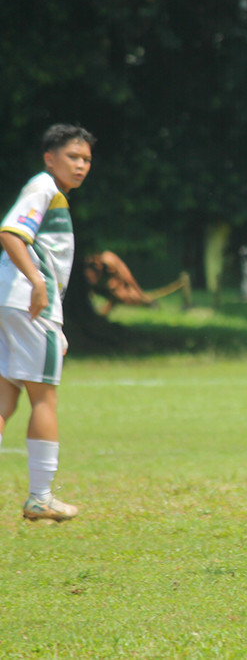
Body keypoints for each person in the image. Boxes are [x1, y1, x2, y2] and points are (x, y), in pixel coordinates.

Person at [0, 124, 95, 522]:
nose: (81, 165)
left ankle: (40, 496)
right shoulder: (43, 188)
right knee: (44, 398)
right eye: (73, 156)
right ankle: (40, 497)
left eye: (86, 159)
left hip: (12, 302)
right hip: (30, 304)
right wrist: (37, 283)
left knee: (5, 398)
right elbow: (11, 233)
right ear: (49, 158)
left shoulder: (53, 193)